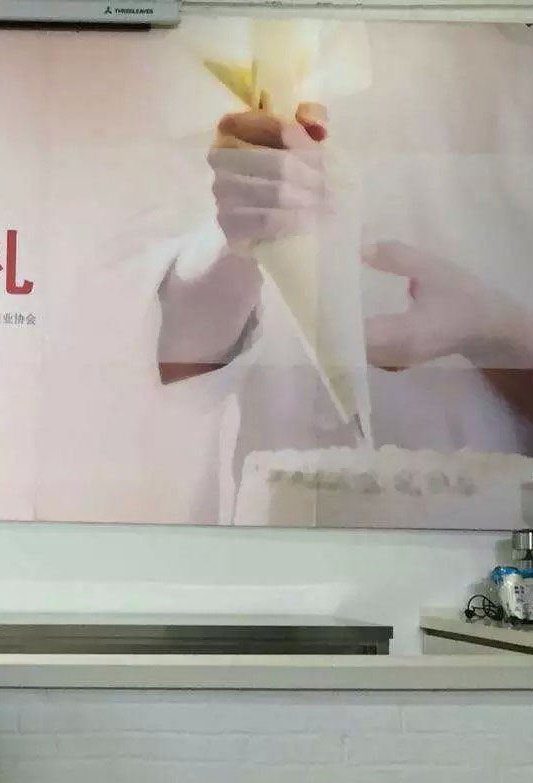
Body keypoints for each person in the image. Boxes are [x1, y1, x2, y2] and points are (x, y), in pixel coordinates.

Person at [152, 21, 533, 523]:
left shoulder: (507, 58)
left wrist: (495, 332)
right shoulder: (218, 44)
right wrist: (241, 234)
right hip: (268, 532)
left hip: (474, 540)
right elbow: (170, 365)